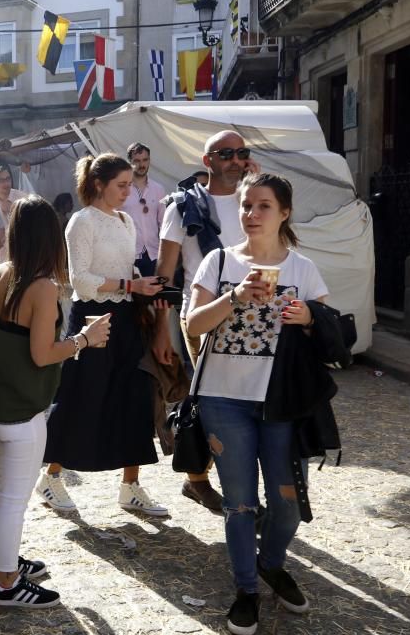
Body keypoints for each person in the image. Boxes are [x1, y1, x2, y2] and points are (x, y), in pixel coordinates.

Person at [186, 172, 328, 635]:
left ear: (284, 212)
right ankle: (246, 589)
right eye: (246, 205)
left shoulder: (303, 269)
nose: (251, 214)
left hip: (282, 404)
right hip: (224, 401)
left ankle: (271, 563)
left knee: (287, 504)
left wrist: (308, 316)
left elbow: (327, 331)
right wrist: (235, 295)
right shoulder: (219, 261)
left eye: (263, 205)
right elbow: (193, 326)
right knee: (241, 504)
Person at [0, 195, 111, 608]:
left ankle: (5, 564)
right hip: (24, 407)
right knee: (12, 499)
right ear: (51, 237)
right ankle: (7, 584)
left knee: (2, 493)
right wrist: (86, 339)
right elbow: (42, 354)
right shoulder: (43, 287)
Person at [38, 154, 167, 516]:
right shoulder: (81, 222)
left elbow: (124, 271)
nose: (129, 191)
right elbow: (80, 280)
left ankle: (130, 486)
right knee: (83, 397)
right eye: (122, 185)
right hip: (93, 318)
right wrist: (131, 283)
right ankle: (50, 478)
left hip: (127, 317)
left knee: (135, 399)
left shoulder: (126, 220)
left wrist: (145, 287)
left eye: (129, 184)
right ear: (99, 184)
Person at [154, 130, 259, 512]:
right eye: (226, 153)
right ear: (207, 161)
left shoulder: (256, 200)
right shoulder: (181, 208)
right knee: (216, 403)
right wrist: (161, 332)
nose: (236, 160)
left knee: (249, 403)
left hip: (255, 317)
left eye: (241, 153)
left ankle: (221, 481)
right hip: (204, 316)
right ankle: (200, 479)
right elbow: (165, 274)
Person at [123, 143, 166, 277]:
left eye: (145, 160)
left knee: (153, 296)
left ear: (149, 161)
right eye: (137, 161)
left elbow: (164, 224)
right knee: (131, 297)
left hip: (154, 254)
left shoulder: (158, 189)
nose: (142, 165)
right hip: (128, 256)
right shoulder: (121, 189)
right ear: (129, 162)